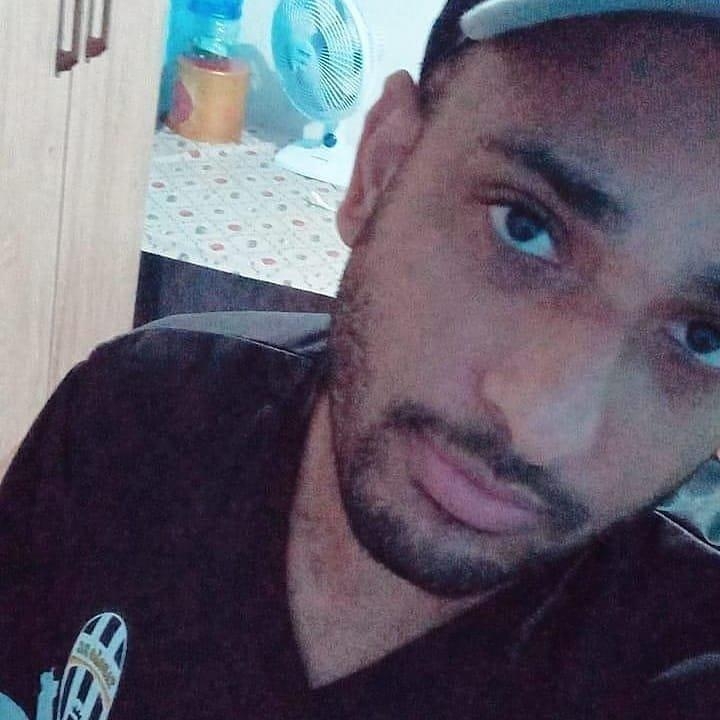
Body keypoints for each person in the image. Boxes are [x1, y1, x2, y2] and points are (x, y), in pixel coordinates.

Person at [3, 1, 720, 718]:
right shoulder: (130, 415)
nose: (541, 427)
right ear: (381, 168)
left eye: (703, 338)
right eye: (525, 227)